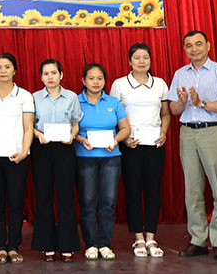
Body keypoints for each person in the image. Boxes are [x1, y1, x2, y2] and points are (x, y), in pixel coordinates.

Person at [167, 30, 217, 261]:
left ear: (208, 45)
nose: (194, 49)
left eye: (198, 44)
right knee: (192, 190)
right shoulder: (180, 74)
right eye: (189, 45)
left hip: (213, 132)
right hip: (188, 134)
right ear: (184, 49)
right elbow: (174, 111)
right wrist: (183, 102)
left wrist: (201, 103)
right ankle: (197, 239)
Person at [109, 43, 170, 258]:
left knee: (153, 191)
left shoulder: (160, 84)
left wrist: (163, 132)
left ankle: (152, 237)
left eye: (145, 57)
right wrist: (123, 139)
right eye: (137, 58)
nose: (141, 61)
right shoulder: (119, 85)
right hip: (130, 145)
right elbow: (113, 115)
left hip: (154, 144)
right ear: (129, 61)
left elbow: (165, 114)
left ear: (150, 61)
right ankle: (138, 239)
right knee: (133, 191)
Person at [0, 52, 34, 264]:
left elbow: (28, 127)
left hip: (17, 157)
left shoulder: (24, 96)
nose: (3, 71)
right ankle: (0, 246)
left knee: (17, 203)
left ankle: (14, 246)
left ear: (14, 70)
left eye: (7, 67)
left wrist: (24, 151)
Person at [75, 63, 131, 260]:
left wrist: (116, 140)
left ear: (104, 81)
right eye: (91, 78)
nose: (95, 82)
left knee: (108, 202)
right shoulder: (76, 102)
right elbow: (71, 130)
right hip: (85, 158)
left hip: (111, 158)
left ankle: (105, 244)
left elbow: (125, 129)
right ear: (83, 81)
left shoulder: (113, 102)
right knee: (88, 201)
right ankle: (91, 244)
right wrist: (81, 139)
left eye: (99, 78)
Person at [30, 59, 82, 262]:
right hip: (42, 147)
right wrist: (37, 135)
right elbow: (29, 125)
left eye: (53, 73)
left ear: (61, 75)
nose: (50, 77)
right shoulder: (34, 98)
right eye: (45, 73)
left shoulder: (71, 97)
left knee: (66, 197)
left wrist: (72, 135)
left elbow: (76, 123)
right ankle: (46, 245)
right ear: (41, 76)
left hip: (65, 148)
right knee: (43, 196)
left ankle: (67, 245)